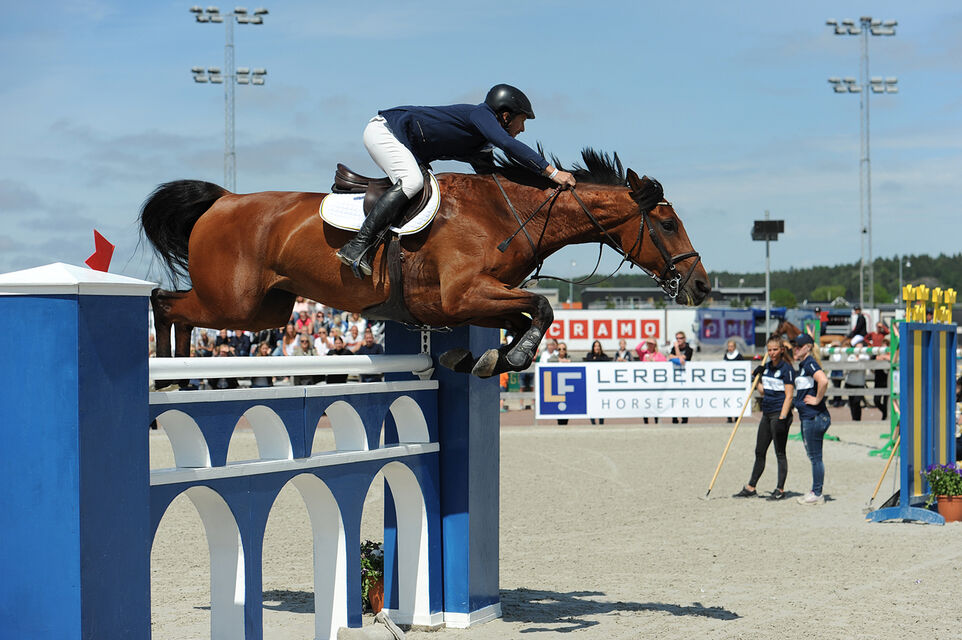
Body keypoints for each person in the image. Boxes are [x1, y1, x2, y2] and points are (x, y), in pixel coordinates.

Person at [335, 84, 577, 278]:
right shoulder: (481, 114)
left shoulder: (482, 143)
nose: (522, 129)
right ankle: (357, 245)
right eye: (522, 120)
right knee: (412, 182)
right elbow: (508, 144)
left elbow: (493, 180)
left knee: (424, 185)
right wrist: (552, 172)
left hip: (401, 140)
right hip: (385, 131)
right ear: (505, 116)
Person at [733, 336, 795, 500]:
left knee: (779, 452)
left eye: (775, 350)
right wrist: (757, 378)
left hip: (779, 414)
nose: (772, 353)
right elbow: (762, 392)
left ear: (781, 350)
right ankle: (751, 487)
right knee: (760, 451)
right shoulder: (766, 367)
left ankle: (780, 489)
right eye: (769, 350)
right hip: (767, 414)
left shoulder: (787, 369)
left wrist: (782, 417)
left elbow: (789, 396)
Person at [792, 334, 831, 505]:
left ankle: (817, 493)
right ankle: (816, 491)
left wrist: (817, 399)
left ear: (807, 347)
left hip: (814, 416)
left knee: (815, 457)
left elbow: (823, 380)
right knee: (814, 456)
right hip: (809, 416)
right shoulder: (804, 364)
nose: (795, 349)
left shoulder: (809, 363)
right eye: (794, 346)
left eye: (798, 346)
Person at [638, 337, 665, 424]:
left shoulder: (658, 354)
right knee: (645, 401)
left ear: (655, 345)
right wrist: (645, 340)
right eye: (649, 344)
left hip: (655, 382)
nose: (650, 345)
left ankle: (656, 419)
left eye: (652, 344)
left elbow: (664, 363)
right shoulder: (644, 353)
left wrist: (654, 361)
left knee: (655, 401)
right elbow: (637, 348)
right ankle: (646, 420)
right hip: (645, 381)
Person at [584, 340, 610, 425]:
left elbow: (607, 362)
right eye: (595, 346)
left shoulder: (604, 356)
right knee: (591, 403)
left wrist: (597, 358)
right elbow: (589, 361)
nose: (597, 348)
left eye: (598, 346)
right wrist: (596, 359)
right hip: (591, 383)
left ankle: (601, 422)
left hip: (601, 383)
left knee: (601, 403)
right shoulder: (589, 355)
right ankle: (593, 422)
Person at [670, 332, 694, 424]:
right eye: (677, 338)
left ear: (684, 339)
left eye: (680, 338)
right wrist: (677, 353)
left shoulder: (689, 349)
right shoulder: (673, 348)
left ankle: (684, 417)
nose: (678, 340)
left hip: (685, 377)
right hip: (675, 377)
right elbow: (670, 356)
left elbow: (682, 360)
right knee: (674, 396)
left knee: (685, 397)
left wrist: (676, 352)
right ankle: (674, 417)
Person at [724, 339, 745, 423]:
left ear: (735, 347)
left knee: (736, 399)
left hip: (736, 382)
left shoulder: (739, 356)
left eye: (731, 346)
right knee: (728, 399)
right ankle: (729, 417)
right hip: (728, 381)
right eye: (729, 346)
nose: (730, 348)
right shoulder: (726, 356)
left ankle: (737, 417)